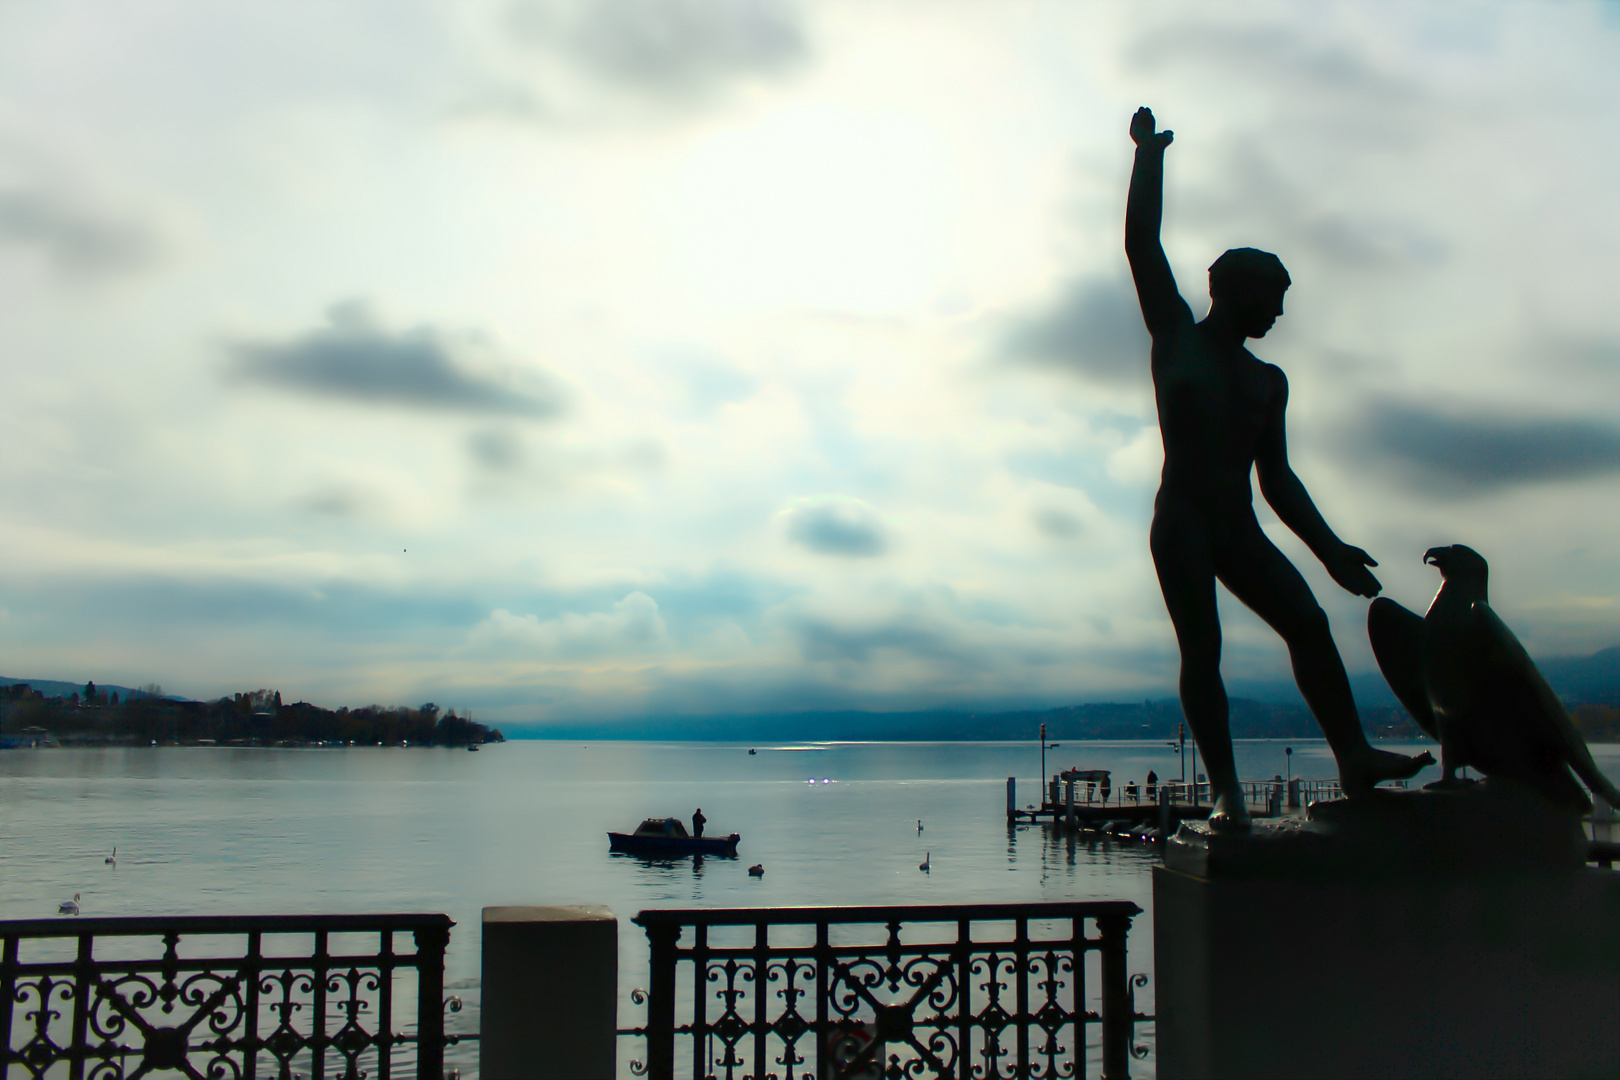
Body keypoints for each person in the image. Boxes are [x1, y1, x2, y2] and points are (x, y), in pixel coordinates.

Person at [1124, 107, 1431, 832]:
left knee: (1310, 623)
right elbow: (1141, 246)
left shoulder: (1269, 381)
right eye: (1276, 298)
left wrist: (1330, 551)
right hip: (1184, 522)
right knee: (1204, 649)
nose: (1282, 313)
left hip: (1238, 523)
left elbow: (1278, 481)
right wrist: (1149, 157)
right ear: (1238, 291)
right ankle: (1227, 790)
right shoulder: (1177, 341)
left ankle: (1353, 755)